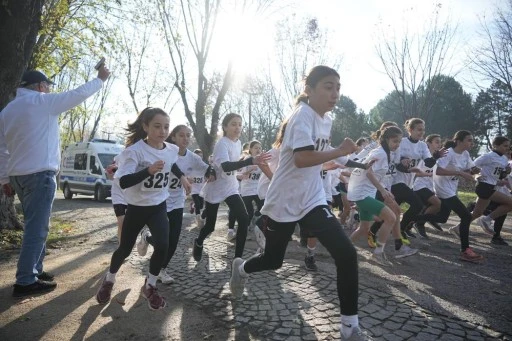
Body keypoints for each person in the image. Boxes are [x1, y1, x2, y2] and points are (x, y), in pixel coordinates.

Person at [228, 66, 370, 340]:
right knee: (273, 260)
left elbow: (320, 157)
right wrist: (340, 150)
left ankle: (349, 328)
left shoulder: (324, 119)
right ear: (310, 90)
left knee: (346, 253)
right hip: (283, 201)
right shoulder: (302, 116)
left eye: (338, 87)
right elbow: (302, 159)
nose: (335, 94)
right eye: (328, 87)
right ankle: (241, 268)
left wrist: (352, 159)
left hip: (313, 198)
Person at [0, 66, 110, 297]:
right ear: (40, 87)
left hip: (18, 176)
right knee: (37, 228)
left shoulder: (7, 111)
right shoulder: (42, 102)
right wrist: (100, 80)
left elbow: (1, 149)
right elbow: (77, 95)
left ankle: (35, 270)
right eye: (48, 86)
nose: (49, 89)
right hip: (40, 174)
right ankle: (25, 281)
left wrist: (4, 178)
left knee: (36, 225)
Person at [95, 107, 181, 310]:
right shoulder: (134, 152)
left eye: (166, 127)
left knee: (163, 244)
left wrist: (183, 178)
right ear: (145, 126)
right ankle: (109, 279)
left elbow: (170, 164)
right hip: (136, 206)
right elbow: (124, 181)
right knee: (124, 249)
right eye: (157, 126)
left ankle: (149, 286)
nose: (162, 131)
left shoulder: (172, 150)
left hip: (158, 205)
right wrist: (148, 171)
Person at [137, 125, 212, 284]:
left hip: (177, 201)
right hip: (161, 200)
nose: (185, 139)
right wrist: (183, 177)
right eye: (181, 135)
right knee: (163, 240)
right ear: (173, 137)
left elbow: (206, 168)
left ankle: (161, 270)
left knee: (173, 240)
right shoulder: (166, 151)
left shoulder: (192, 157)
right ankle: (148, 238)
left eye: (188, 135)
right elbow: (172, 165)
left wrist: (213, 173)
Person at [192, 113, 271, 262]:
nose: (238, 127)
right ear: (225, 127)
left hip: (231, 187)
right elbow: (226, 166)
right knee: (210, 226)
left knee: (243, 218)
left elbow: (234, 164)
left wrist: (248, 161)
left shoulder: (238, 142)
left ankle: (238, 260)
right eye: (234, 124)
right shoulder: (222, 143)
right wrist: (249, 160)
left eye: (240, 124)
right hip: (216, 188)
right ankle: (199, 241)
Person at [348, 126, 405, 265]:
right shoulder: (380, 153)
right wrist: (383, 191)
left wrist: (385, 189)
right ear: (386, 140)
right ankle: (378, 254)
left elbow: (376, 175)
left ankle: (342, 248)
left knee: (363, 229)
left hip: (367, 193)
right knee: (391, 218)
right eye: (394, 141)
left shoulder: (385, 153)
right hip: (362, 194)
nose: (397, 144)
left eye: (399, 141)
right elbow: (368, 172)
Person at [433, 130, 483, 263]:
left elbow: (471, 169)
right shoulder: (448, 153)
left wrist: (477, 174)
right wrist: (460, 173)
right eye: (469, 140)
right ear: (459, 141)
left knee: (442, 218)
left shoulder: (465, 154)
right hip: (442, 188)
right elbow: (437, 170)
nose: (472, 143)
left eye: (472, 140)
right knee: (466, 216)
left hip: (452, 189)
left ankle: (411, 220)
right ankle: (465, 251)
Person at [470, 137, 512, 237]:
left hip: (492, 186)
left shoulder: (504, 159)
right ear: (495, 146)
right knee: (511, 203)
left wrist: (505, 173)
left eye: (508, 146)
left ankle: (458, 228)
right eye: (505, 146)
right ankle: (486, 220)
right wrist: (477, 175)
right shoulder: (488, 156)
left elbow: (500, 176)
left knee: (477, 213)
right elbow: (472, 166)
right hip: (484, 186)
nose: (507, 148)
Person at [189, 148, 207, 227]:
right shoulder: (190, 166)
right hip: (194, 189)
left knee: (201, 206)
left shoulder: (203, 166)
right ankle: (198, 219)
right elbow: (185, 175)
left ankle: (192, 205)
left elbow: (206, 176)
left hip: (201, 189)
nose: (199, 158)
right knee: (197, 203)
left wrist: (207, 179)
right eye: (197, 156)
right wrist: (188, 179)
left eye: (201, 156)